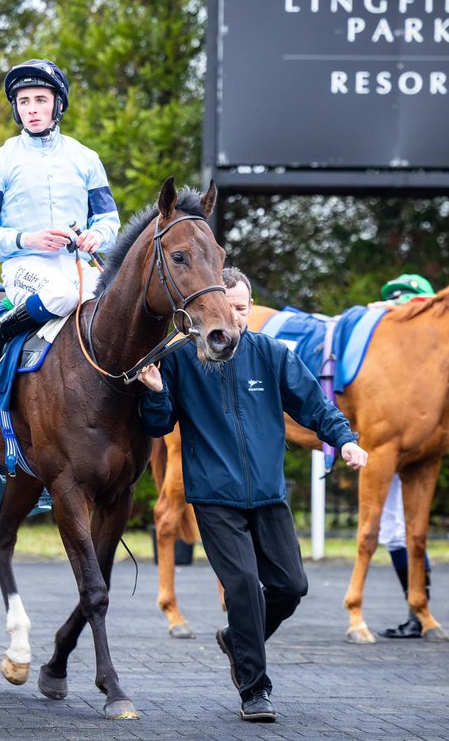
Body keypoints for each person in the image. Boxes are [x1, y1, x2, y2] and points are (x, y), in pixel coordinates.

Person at [139, 267, 368, 723]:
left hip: (267, 495)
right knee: (243, 587)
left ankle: (238, 638)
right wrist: (157, 392)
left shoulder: (271, 354)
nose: (235, 317)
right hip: (214, 498)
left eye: (242, 308)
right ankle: (254, 689)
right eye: (227, 308)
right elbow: (158, 425)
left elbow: (315, 406)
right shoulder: (182, 359)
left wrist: (344, 439)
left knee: (291, 586)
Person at [0, 57, 121, 375]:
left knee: (121, 301)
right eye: (24, 101)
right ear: (16, 109)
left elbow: (109, 220)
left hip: (77, 265)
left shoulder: (86, 158)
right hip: (25, 265)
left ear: (57, 104)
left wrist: (98, 235)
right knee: (62, 295)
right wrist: (27, 239)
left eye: (40, 100)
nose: (32, 109)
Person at [370, 273, 438, 639]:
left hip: (414, 448)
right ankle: (419, 609)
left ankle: (420, 608)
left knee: (403, 529)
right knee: (397, 531)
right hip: (391, 445)